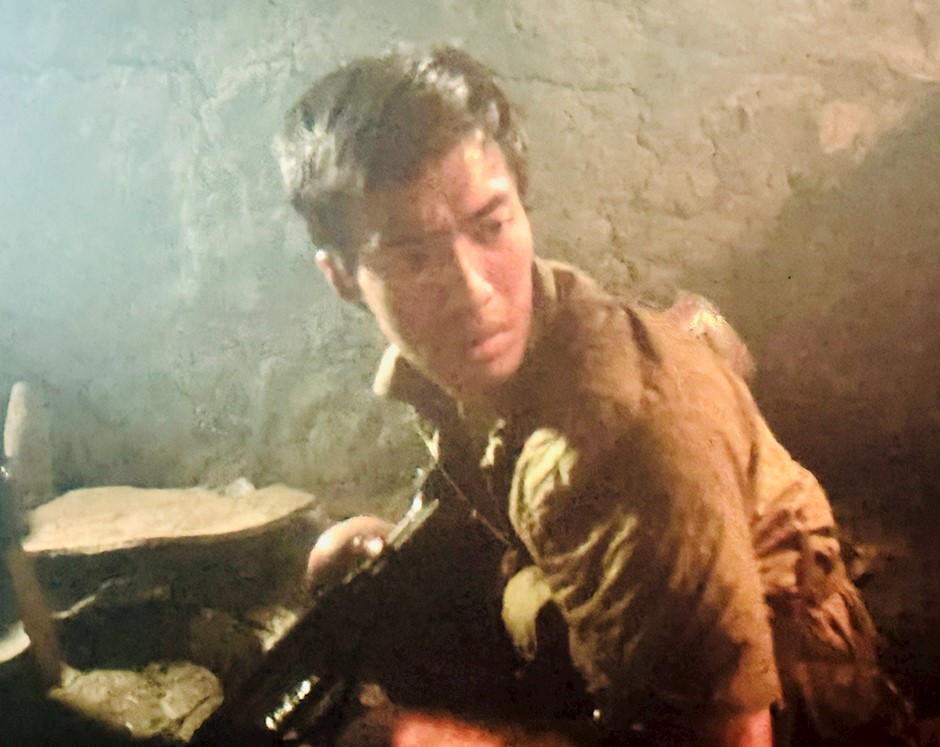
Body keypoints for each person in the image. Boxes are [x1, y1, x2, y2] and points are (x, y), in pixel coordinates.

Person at [272, 46, 912, 746]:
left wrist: (438, 739)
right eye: (413, 256)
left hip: (778, 702)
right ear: (342, 277)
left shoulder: (619, 446)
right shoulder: (488, 350)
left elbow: (726, 737)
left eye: (490, 227)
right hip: (612, 603)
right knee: (347, 559)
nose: (473, 289)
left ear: (521, 205)